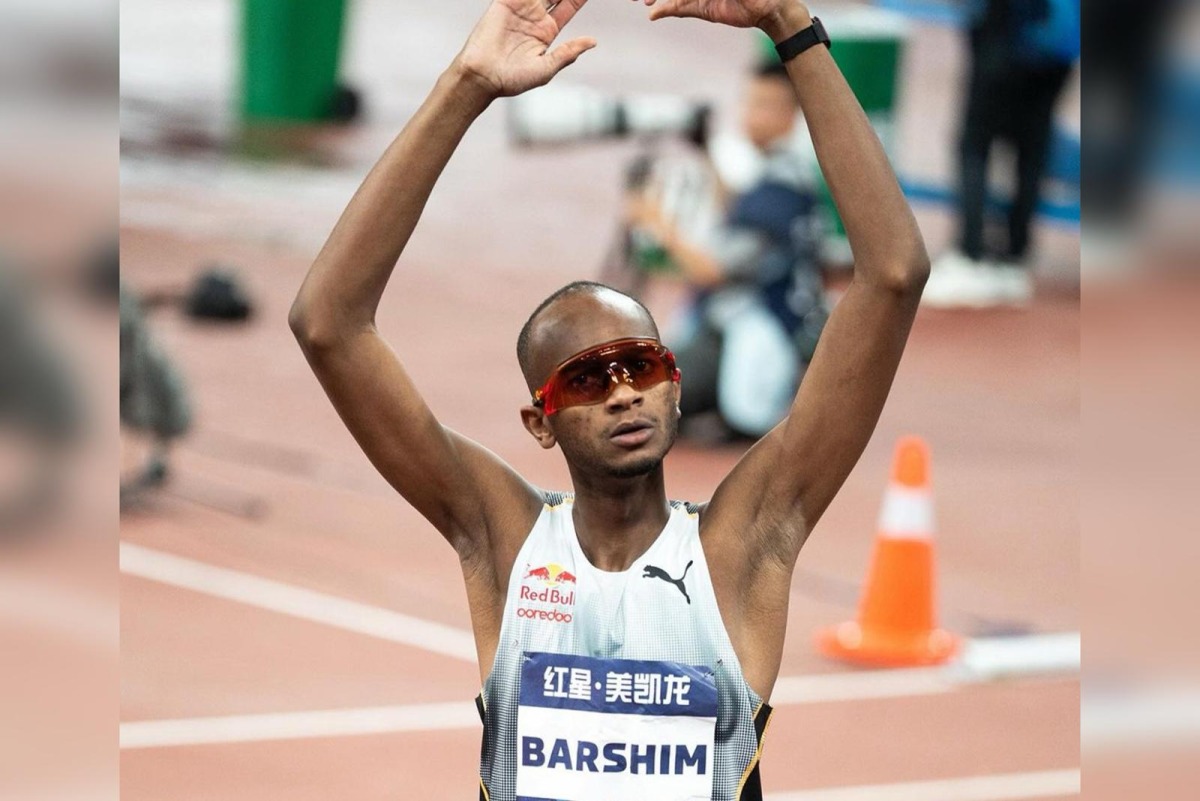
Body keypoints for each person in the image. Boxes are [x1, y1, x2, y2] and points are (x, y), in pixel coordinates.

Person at [289, 0, 928, 798]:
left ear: (675, 381)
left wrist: (791, 27)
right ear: (541, 420)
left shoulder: (742, 545)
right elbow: (327, 324)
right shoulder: (506, 540)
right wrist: (465, 86)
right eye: (588, 378)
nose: (624, 390)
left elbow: (893, 275)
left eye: (641, 363)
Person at [623, 60, 826, 439]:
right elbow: (734, 209)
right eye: (750, 103)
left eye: (766, 105)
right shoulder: (780, 172)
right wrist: (704, 152)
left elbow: (712, 269)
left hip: (760, 330)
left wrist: (656, 222)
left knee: (647, 404)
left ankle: (736, 409)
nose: (752, 115)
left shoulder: (782, 188)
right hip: (736, 325)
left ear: (793, 115)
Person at [923, 0, 1078, 308]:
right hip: (1054, 51)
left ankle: (971, 256)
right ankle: (1015, 257)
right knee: (1031, 152)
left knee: (974, 146)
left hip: (1004, 37)